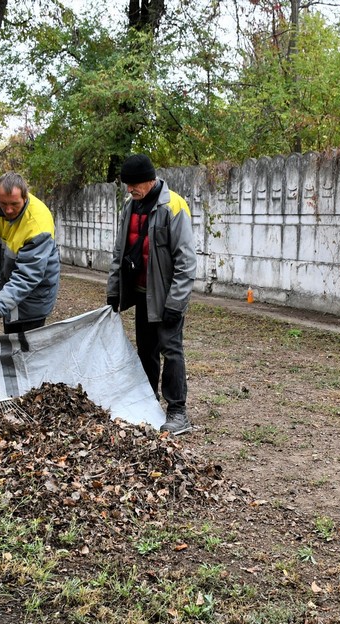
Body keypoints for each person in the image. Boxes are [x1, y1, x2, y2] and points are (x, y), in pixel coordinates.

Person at [107, 153, 197, 435]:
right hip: (142, 295)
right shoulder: (129, 206)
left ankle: (178, 411)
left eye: (133, 184)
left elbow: (186, 260)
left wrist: (176, 302)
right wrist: (114, 291)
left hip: (167, 298)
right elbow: (119, 251)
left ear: (149, 180)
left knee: (171, 352)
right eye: (126, 185)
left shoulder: (173, 206)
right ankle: (147, 404)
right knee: (146, 352)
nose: (129, 190)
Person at [0, 172, 60, 335]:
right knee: (11, 345)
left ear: (25, 197)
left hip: (34, 297)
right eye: (3, 204)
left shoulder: (38, 227)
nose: (8, 210)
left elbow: (26, 277)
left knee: (27, 351)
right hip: (8, 287)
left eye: (14, 204)